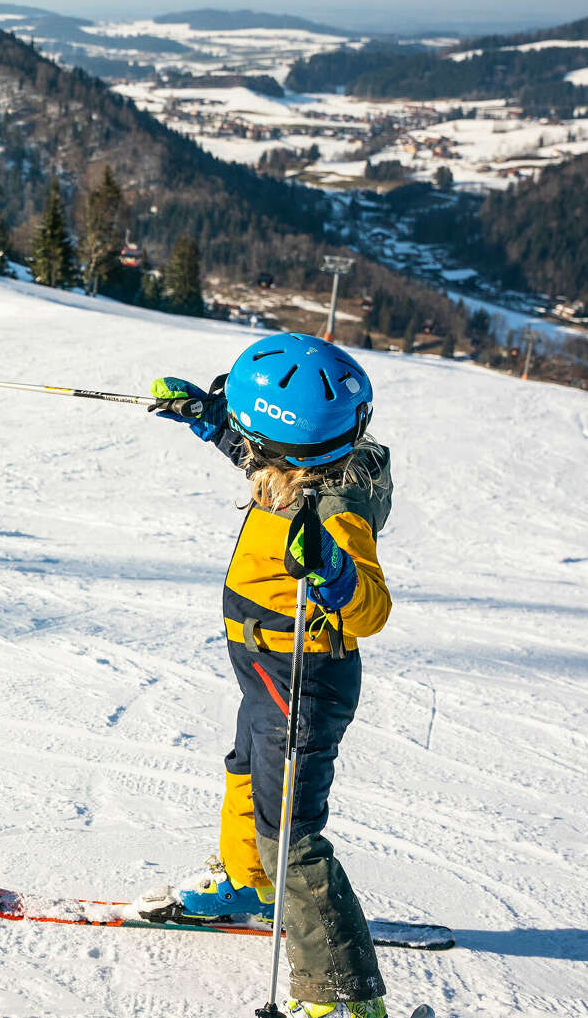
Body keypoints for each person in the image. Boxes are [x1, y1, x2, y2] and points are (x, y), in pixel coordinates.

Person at [141, 334, 393, 1018]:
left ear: (289, 450)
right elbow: (268, 458)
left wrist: (336, 575)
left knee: (291, 834)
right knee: (246, 769)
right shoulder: (312, 466)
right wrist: (212, 421)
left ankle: (343, 997)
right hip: (264, 665)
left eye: (248, 434)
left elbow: (373, 608)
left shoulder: (335, 511)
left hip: (303, 674)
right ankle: (249, 884)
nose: (244, 449)